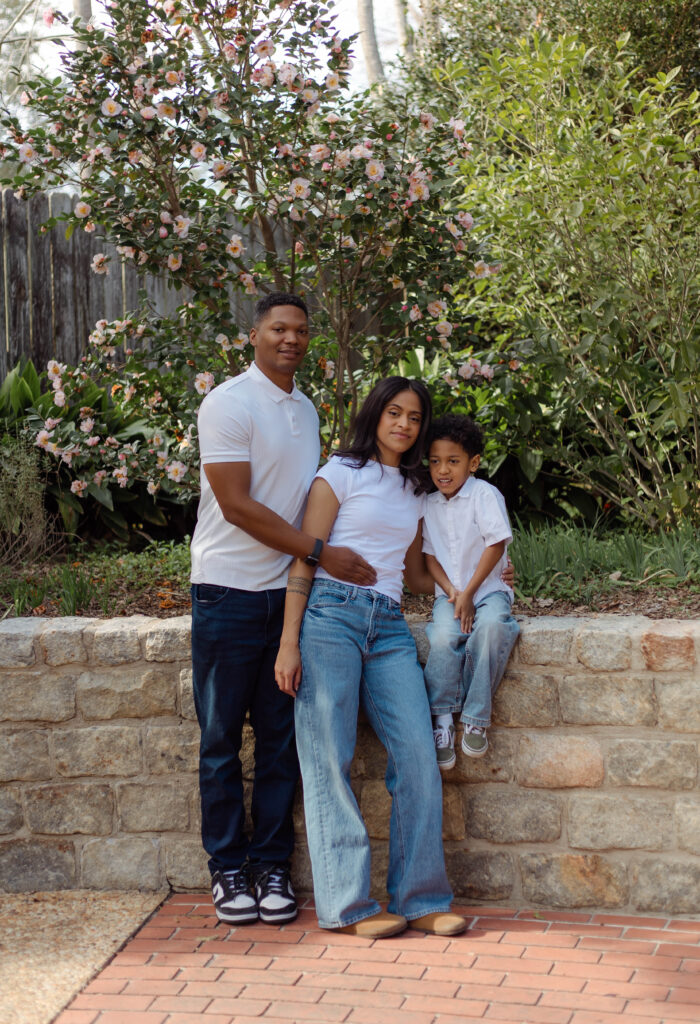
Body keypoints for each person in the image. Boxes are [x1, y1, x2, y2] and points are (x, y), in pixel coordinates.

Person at [190, 292, 376, 926]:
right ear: (255, 335)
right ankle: (227, 870)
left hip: (289, 599)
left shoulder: (305, 407)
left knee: (278, 742)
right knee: (219, 742)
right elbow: (238, 507)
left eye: (299, 330)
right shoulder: (228, 404)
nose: (290, 339)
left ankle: (271, 866)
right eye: (278, 328)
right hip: (226, 593)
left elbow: (312, 499)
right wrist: (322, 552)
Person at [275, 377, 468, 940]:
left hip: (387, 626)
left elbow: (410, 572)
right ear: (374, 415)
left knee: (416, 754)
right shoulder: (338, 473)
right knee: (328, 759)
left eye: (414, 417)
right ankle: (348, 906)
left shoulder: (416, 490)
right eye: (394, 413)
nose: (404, 425)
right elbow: (305, 561)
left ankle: (421, 897)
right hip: (329, 619)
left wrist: (475, 577)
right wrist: (290, 641)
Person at [421, 414, 520, 769]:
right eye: (435, 461)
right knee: (445, 636)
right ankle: (443, 718)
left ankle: (476, 716)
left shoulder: (484, 494)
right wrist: (453, 592)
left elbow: (495, 545)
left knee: (491, 629)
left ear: (473, 463)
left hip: (489, 589)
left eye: (453, 461)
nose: (442, 470)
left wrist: (470, 593)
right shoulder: (429, 504)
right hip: (450, 594)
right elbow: (430, 555)